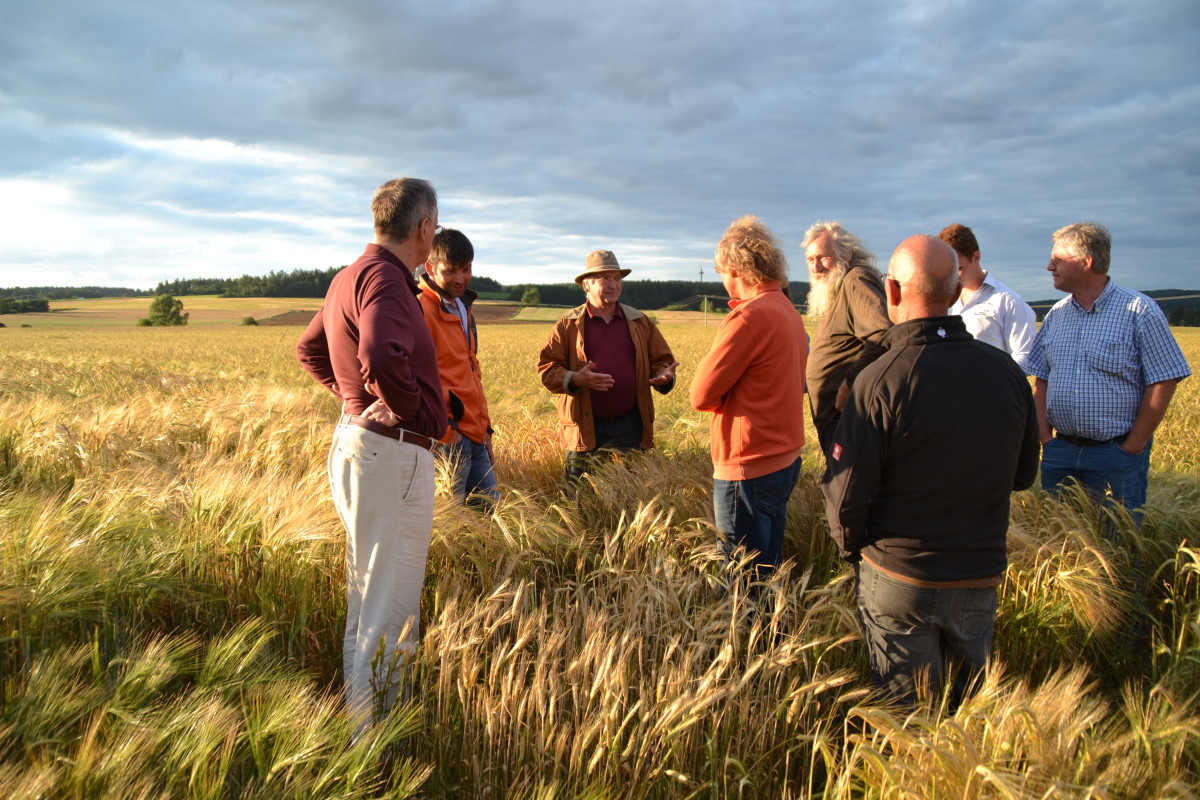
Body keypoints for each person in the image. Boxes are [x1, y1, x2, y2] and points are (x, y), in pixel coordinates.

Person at [823, 234, 1039, 708]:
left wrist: (852, 551)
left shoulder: (878, 379)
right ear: (956, 291)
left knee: (906, 719)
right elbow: (1022, 475)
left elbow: (845, 497)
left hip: (900, 579)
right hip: (978, 578)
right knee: (969, 717)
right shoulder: (1005, 372)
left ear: (893, 292)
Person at [296, 177, 447, 730]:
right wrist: (400, 405)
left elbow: (310, 348)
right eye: (436, 225)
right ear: (423, 227)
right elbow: (381, 349)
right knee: (392, 606)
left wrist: (353, 399)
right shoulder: (387, 280)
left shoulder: (349, 277)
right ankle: (374, 747)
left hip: (359, 448)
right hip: (393, 456)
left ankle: (359, 729)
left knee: (366, 596)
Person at [1020, 222, 1191, 523]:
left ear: (1086, 263)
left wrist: (1132, 447)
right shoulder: (1055, 315)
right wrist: (1046, 438)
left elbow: (1165, 379)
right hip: (1061, 451)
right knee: (1064, 541)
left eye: (1058, 260)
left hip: (1116, 453)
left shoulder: (1140, 310)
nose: (1050, 266)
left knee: (1120, 543)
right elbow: (1041, 379)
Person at [691, 216, 808, 581]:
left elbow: (700, 394)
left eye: (719, 270)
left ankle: (747, 639)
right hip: (784, 460)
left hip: (748, 467)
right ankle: (771, 637)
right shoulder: (789, 312)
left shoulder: (749, 318)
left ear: (733, 267)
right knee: (766, 571)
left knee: (742, 583)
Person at [536, 250, 679, 485]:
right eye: (605, 279)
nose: (613, 285)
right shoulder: (568, 325)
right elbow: (547, 369)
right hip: (584, 426)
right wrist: (575, 379)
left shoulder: (640, 321)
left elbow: (661, 361)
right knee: (580, 498)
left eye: (617, 278)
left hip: (631, 425)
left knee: (633, 498)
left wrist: (664, 375)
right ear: (586, 285)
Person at [418, 228, 498, 507]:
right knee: (450, 521)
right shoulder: (420, 308)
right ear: (430, 267)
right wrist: (446, 431)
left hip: (475, 434)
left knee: (491, 517)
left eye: (466, 269)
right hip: (448, 437)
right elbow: (415, 375)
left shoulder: (463, 307)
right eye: (450, 271)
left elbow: (471, 372)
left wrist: (485, 427)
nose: (460, 279)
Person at [801, 221, 891, 457]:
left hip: (847, 418)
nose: (817, 267)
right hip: (839, 418)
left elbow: (883, 336)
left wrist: (849, 384)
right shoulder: (841, 287)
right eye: (811, 260)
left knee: (849, 492)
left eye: (822, 257)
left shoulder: (856, 281)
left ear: (847, 253)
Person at [939, 223, 1037, 361]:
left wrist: (989, 379)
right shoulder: (942, 301)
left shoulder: (1008, 301)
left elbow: (1025, 357)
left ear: (976, 257)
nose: (953, 276)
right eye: (948, 270)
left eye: (959, 268)